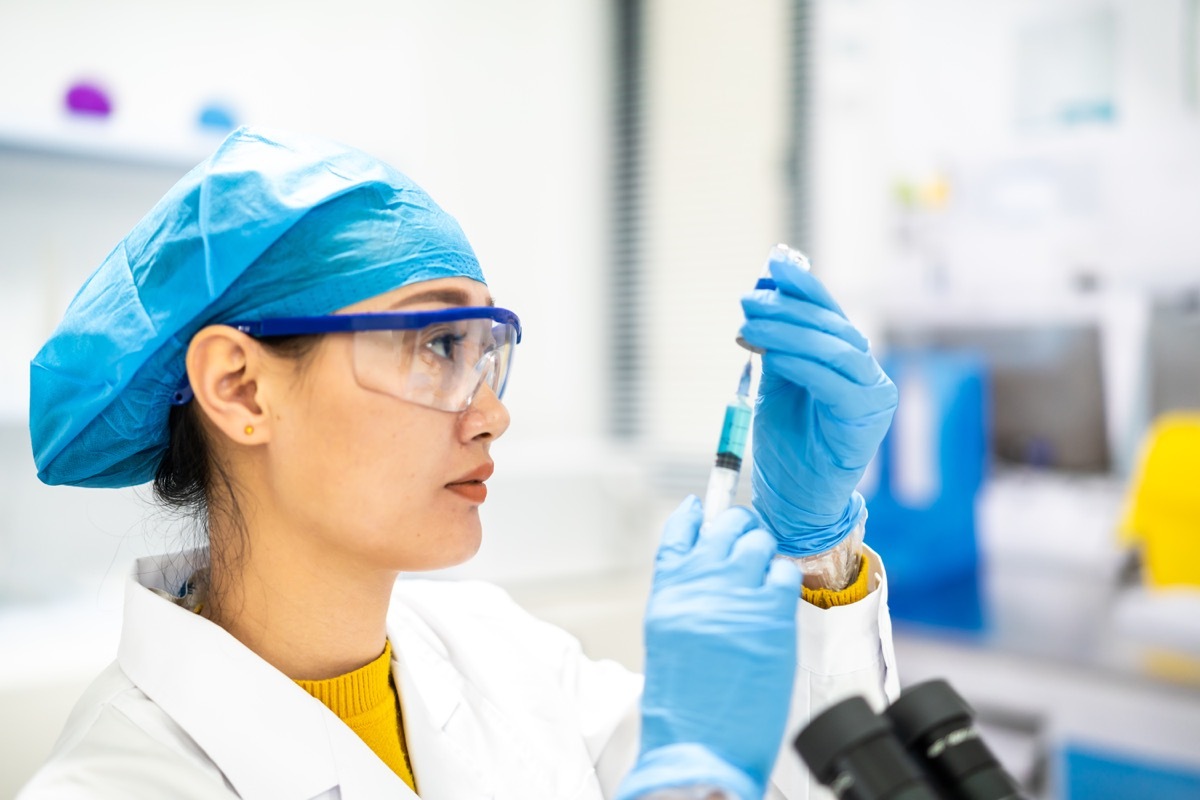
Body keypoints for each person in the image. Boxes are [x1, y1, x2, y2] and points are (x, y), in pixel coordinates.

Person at [20, 127, 898, 800]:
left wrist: (812, 549)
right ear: (243, 389)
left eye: (485, 349)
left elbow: (813, 783)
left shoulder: (504, 658)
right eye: (435, 342)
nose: (492, 414)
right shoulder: (113, 783)